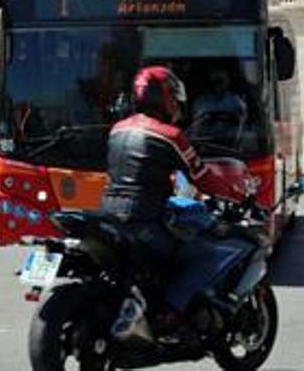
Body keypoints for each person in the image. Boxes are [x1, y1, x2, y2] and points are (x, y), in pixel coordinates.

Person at [101, 66, 245, 338]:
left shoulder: (117, 130)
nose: (177, 106)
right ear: (165, 97)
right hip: (144, 219)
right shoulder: (170, 135)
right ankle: (170, 313)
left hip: (109, 215)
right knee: (206, 255)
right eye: (174, 98)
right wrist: (236, 192)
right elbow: (202, 179)